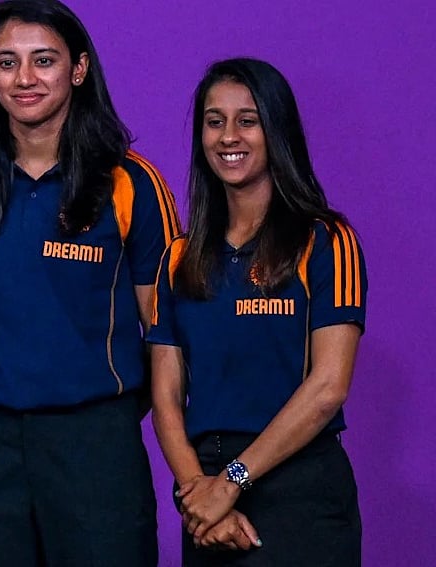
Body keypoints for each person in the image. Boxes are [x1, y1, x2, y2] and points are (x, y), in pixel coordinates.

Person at [0, 1, 180, 564]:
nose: (24, 79)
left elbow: (165, 331)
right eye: (7, 62)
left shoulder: (132, 183)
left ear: (79, 69)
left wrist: (98, 416)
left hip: (95, 445)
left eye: (44, 61)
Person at [148, 57, 366, 566]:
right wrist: (199, 496)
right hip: (206, 500)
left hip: (300, 491)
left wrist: (233, 481)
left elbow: (329, 386)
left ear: (277, 131)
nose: (229, 136)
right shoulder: (180, 257)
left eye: (248, 120)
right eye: (214, 120)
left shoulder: (327, 241)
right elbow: (165, 395)